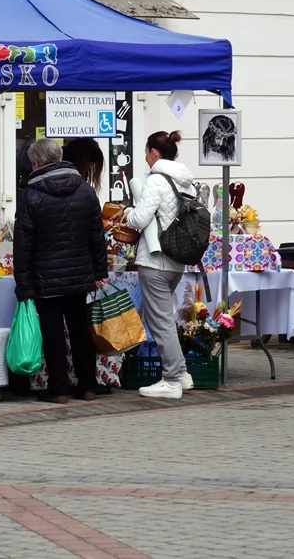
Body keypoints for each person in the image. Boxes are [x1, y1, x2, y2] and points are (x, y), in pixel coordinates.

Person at [13, 139, 108, 403]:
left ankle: (59, 389)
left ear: (35, 163)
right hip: (79, 276)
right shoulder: (86, 191)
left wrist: (22, 283)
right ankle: (88, 386)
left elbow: (23, 245)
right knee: (80, 331)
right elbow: (96, 237)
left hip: (46, 278)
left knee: (53, 333)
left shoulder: (30, 196)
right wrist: (100, 270)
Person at [124, 131, 198, 399]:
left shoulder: (156, 180)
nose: (145, 157)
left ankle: (170, 380)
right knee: (165, 318)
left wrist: (127, 213)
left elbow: (140, 219)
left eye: (146, 152)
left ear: (154, 153)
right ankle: (182, 373)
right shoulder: (185, 182)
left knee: (160, 321)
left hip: (155, 259)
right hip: (177, 260)